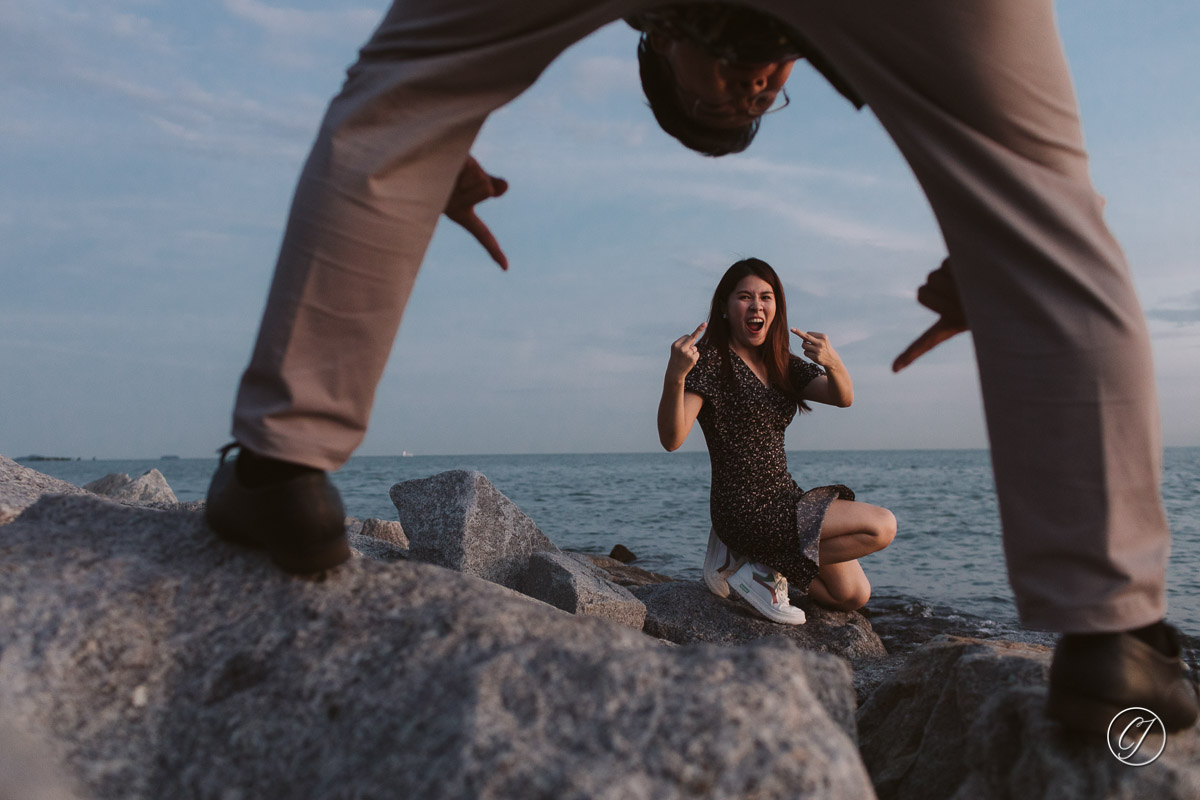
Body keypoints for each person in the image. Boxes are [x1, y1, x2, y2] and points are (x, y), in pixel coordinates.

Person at [205, 0, 1198, 734]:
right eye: (722, 86)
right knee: (1045, 208)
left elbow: (847, 385)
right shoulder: (717, 359)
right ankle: (1116, 624)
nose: (751, 78)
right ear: (652, 39)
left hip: (772, 514)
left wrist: (416, 139)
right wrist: (1016, 244)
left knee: (396, 103)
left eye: (763, 89)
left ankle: (1115, 632)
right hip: (755, 518)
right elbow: (674, 431)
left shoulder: (776, 357)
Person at [657, 258, 895, 624]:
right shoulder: (711, 362)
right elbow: (672, 439)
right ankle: (756, 567)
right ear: (724, 306)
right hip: (742, 508)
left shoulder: (780, 363)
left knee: (852, 594)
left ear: (776, 308)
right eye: (745, 297)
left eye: (766, 297)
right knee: (881, 525)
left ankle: (754, 565)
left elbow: (842, 396)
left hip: (784, 498)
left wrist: (833, 362)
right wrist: (675, 376)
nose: (757, 306)